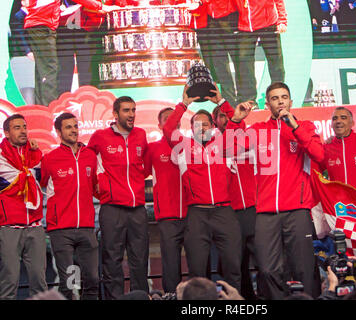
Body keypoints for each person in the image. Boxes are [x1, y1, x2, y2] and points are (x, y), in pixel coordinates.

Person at [224, 82, 325, 299]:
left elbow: (320, 155)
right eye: (274, 98)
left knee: (304, 269)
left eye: (284, 97)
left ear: (290, 101)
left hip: (297, 210)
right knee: (268, 269)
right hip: (266, 213)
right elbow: (228, 149)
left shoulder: (305, 126)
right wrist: (235, 120)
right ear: (268, 104)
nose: (280, 101)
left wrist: (295, 127)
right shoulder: (259, 130)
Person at [163, 85, 242, 292]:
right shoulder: (183, 147)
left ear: (213, 125)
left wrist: (222, 102)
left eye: (206, 124)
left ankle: (232, 303)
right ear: (191, 128)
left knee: (233, 266)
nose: (202, 128)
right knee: (197, 272)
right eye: (197, 125)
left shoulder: (224, 144)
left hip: (224, 212)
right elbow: (168, 129)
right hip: (197, 214)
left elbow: (239, 125)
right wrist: (184, 104)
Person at [88, 96, 150, 299]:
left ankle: (140, 296)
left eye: (133, 110)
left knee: (139, 259)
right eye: (126, 110)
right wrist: (102, 189)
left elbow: (146, 166)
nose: (131, 114)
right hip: (112, 208)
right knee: (112, 259)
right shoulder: (100, 136)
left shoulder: (141, 135)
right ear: (115, 114)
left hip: (138, 208)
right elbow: (86, 164)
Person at [40, 112, 99, 300]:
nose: (74, 130)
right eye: (68, 127)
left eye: (75, 126)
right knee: (70, 283)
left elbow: (97, 185)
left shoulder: (90, 156)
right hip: (62, 230)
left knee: (92, 279)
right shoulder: (50, 159)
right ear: (58, 131)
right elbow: (40, 186)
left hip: (87, 228)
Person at [23, 0, 115, 106]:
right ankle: (51, 108)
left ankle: (42, 108)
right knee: (50, 70)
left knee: (42, 70)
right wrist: (100, 6)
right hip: (43, 24)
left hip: (38, 24)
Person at [213, 104, 258, 300]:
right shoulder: (213, 144)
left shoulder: (247, 136)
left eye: (227, 116)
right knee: (235, 265)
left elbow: (238, 129)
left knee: (265, 262)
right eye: (220, 117)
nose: (225, 119)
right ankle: (237, 300)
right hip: (229, 211)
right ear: (215, 121)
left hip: (253, 208)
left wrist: (233, 116)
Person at [0, 114, 47, 299]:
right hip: (9, 226)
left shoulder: (35, 154)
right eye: (17, 127)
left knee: (39, 280)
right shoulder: (1, 157)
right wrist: (24, 175)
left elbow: (41, 178)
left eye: (24, 127)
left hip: (35, 224)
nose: (23, 131)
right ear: (6, 132)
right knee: (9, 280)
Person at [144, 107, 187, 294]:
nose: (172, 121)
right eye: (167, 119)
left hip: (192, 214)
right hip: (167, 216)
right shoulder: (153, 149)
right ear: (159, 125)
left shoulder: (189, 145)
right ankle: (172, 297)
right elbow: (138, 173)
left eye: (174, 118)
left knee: (198, 262)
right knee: (170, 264)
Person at [233, 0, 287, 104]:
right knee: (245, 65)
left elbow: (279, 1)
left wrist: (282, 21)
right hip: (245, 25)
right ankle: (249, 101)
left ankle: (278, 97)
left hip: (268, 23)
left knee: (276, 63)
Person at [192, 0, 239, 105]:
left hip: (223, 18)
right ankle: (220, 100)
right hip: (200, 22)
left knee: (230, 62)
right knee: (213, 65)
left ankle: (232, 99)